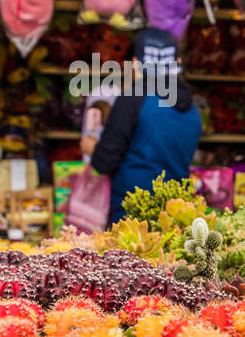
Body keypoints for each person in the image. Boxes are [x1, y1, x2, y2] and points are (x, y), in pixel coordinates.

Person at [84, 27, 201, 223]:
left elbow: (103, 162)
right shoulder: (192, 109)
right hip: (176, 213)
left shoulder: (133, 98)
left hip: (132, 214)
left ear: (136, 64)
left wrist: (91, 146)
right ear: (176, 64)